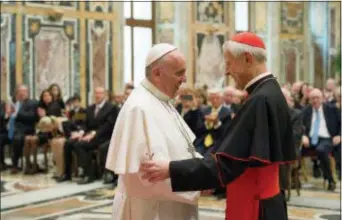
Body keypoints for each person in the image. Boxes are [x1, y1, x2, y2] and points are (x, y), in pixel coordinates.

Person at [140, 32, 297, 220]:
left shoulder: (260, 100)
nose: (226, 72)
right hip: (267, 200)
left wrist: (170, 169)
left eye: (229, 64)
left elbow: (227, 164)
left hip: (255, 205)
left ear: (247, 58)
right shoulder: (271, 91)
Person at [105, 43, 202, 220]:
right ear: (157, 73)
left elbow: (183, 149)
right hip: (153, 211)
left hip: (173, 204)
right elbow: (147, 176)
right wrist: (196, 182)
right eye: (179, 73)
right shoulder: (139, 108)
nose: (184, 79)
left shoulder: (161, 100)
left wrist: (202, 170)